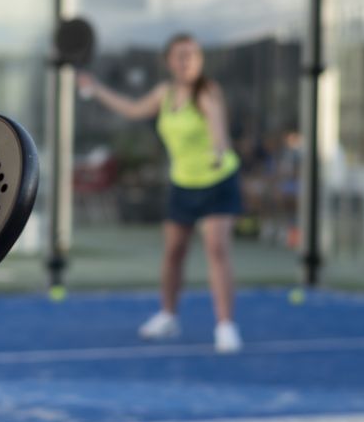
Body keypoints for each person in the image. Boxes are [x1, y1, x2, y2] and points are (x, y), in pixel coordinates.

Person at [77, 32, 243, 354]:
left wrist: (220, 150)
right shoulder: (164, 94)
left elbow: (217, 124)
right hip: (183, 182)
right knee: (173, 253)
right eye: (181, 55)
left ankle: (225, 326)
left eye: (193, 55)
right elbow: (132, 109)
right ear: (169, 61)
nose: (187, 61)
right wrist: (95, 89)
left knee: (217, 249)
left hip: (218, 180)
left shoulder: (207, 91)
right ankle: (168, 316)